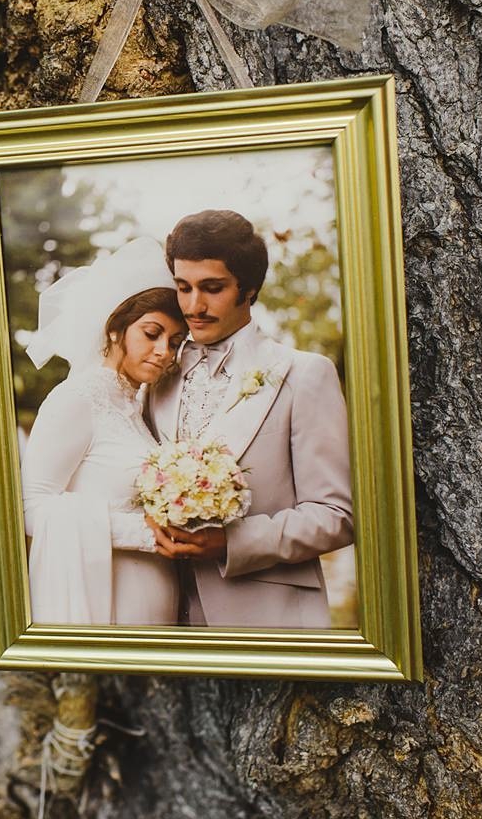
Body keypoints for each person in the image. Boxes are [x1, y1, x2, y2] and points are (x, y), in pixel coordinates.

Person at [146, 210, 353, 628]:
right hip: (163, 616)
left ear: (250, 288)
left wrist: (231, 542)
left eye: (212, 288)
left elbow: (336, 517)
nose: (193, 306)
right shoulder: (156, 373)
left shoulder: (303, 373)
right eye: (183, 288)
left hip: (270, 620)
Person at [21, 236, 187, 627]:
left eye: (175, 342)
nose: (165, 350)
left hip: (159, 601)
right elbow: (32, 507)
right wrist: (143, 532)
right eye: (152, 333)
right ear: (116, 330)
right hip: (108, 603)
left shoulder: (140, 405)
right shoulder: (75, 399)